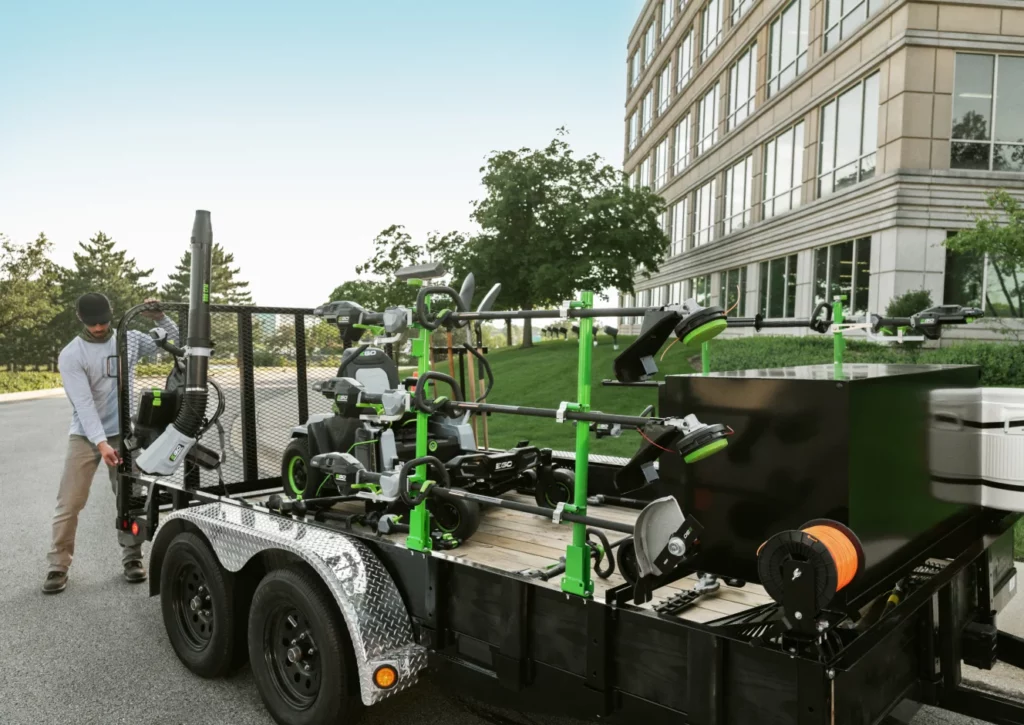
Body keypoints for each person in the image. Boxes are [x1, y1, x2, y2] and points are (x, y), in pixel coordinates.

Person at [43, 293, 180, 594]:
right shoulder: (72, 354)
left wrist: (159, 317)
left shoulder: (129, 339)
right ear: (81, 320)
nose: (100, 327)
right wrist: (101, 443)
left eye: (104, 321)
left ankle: (132, 558)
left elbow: (173, 341)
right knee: (70, 501)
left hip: (123, 431)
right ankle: (58, 565)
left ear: (112, 314)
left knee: (129, 497)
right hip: (85, 435)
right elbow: (83, 404)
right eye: (94, 324)